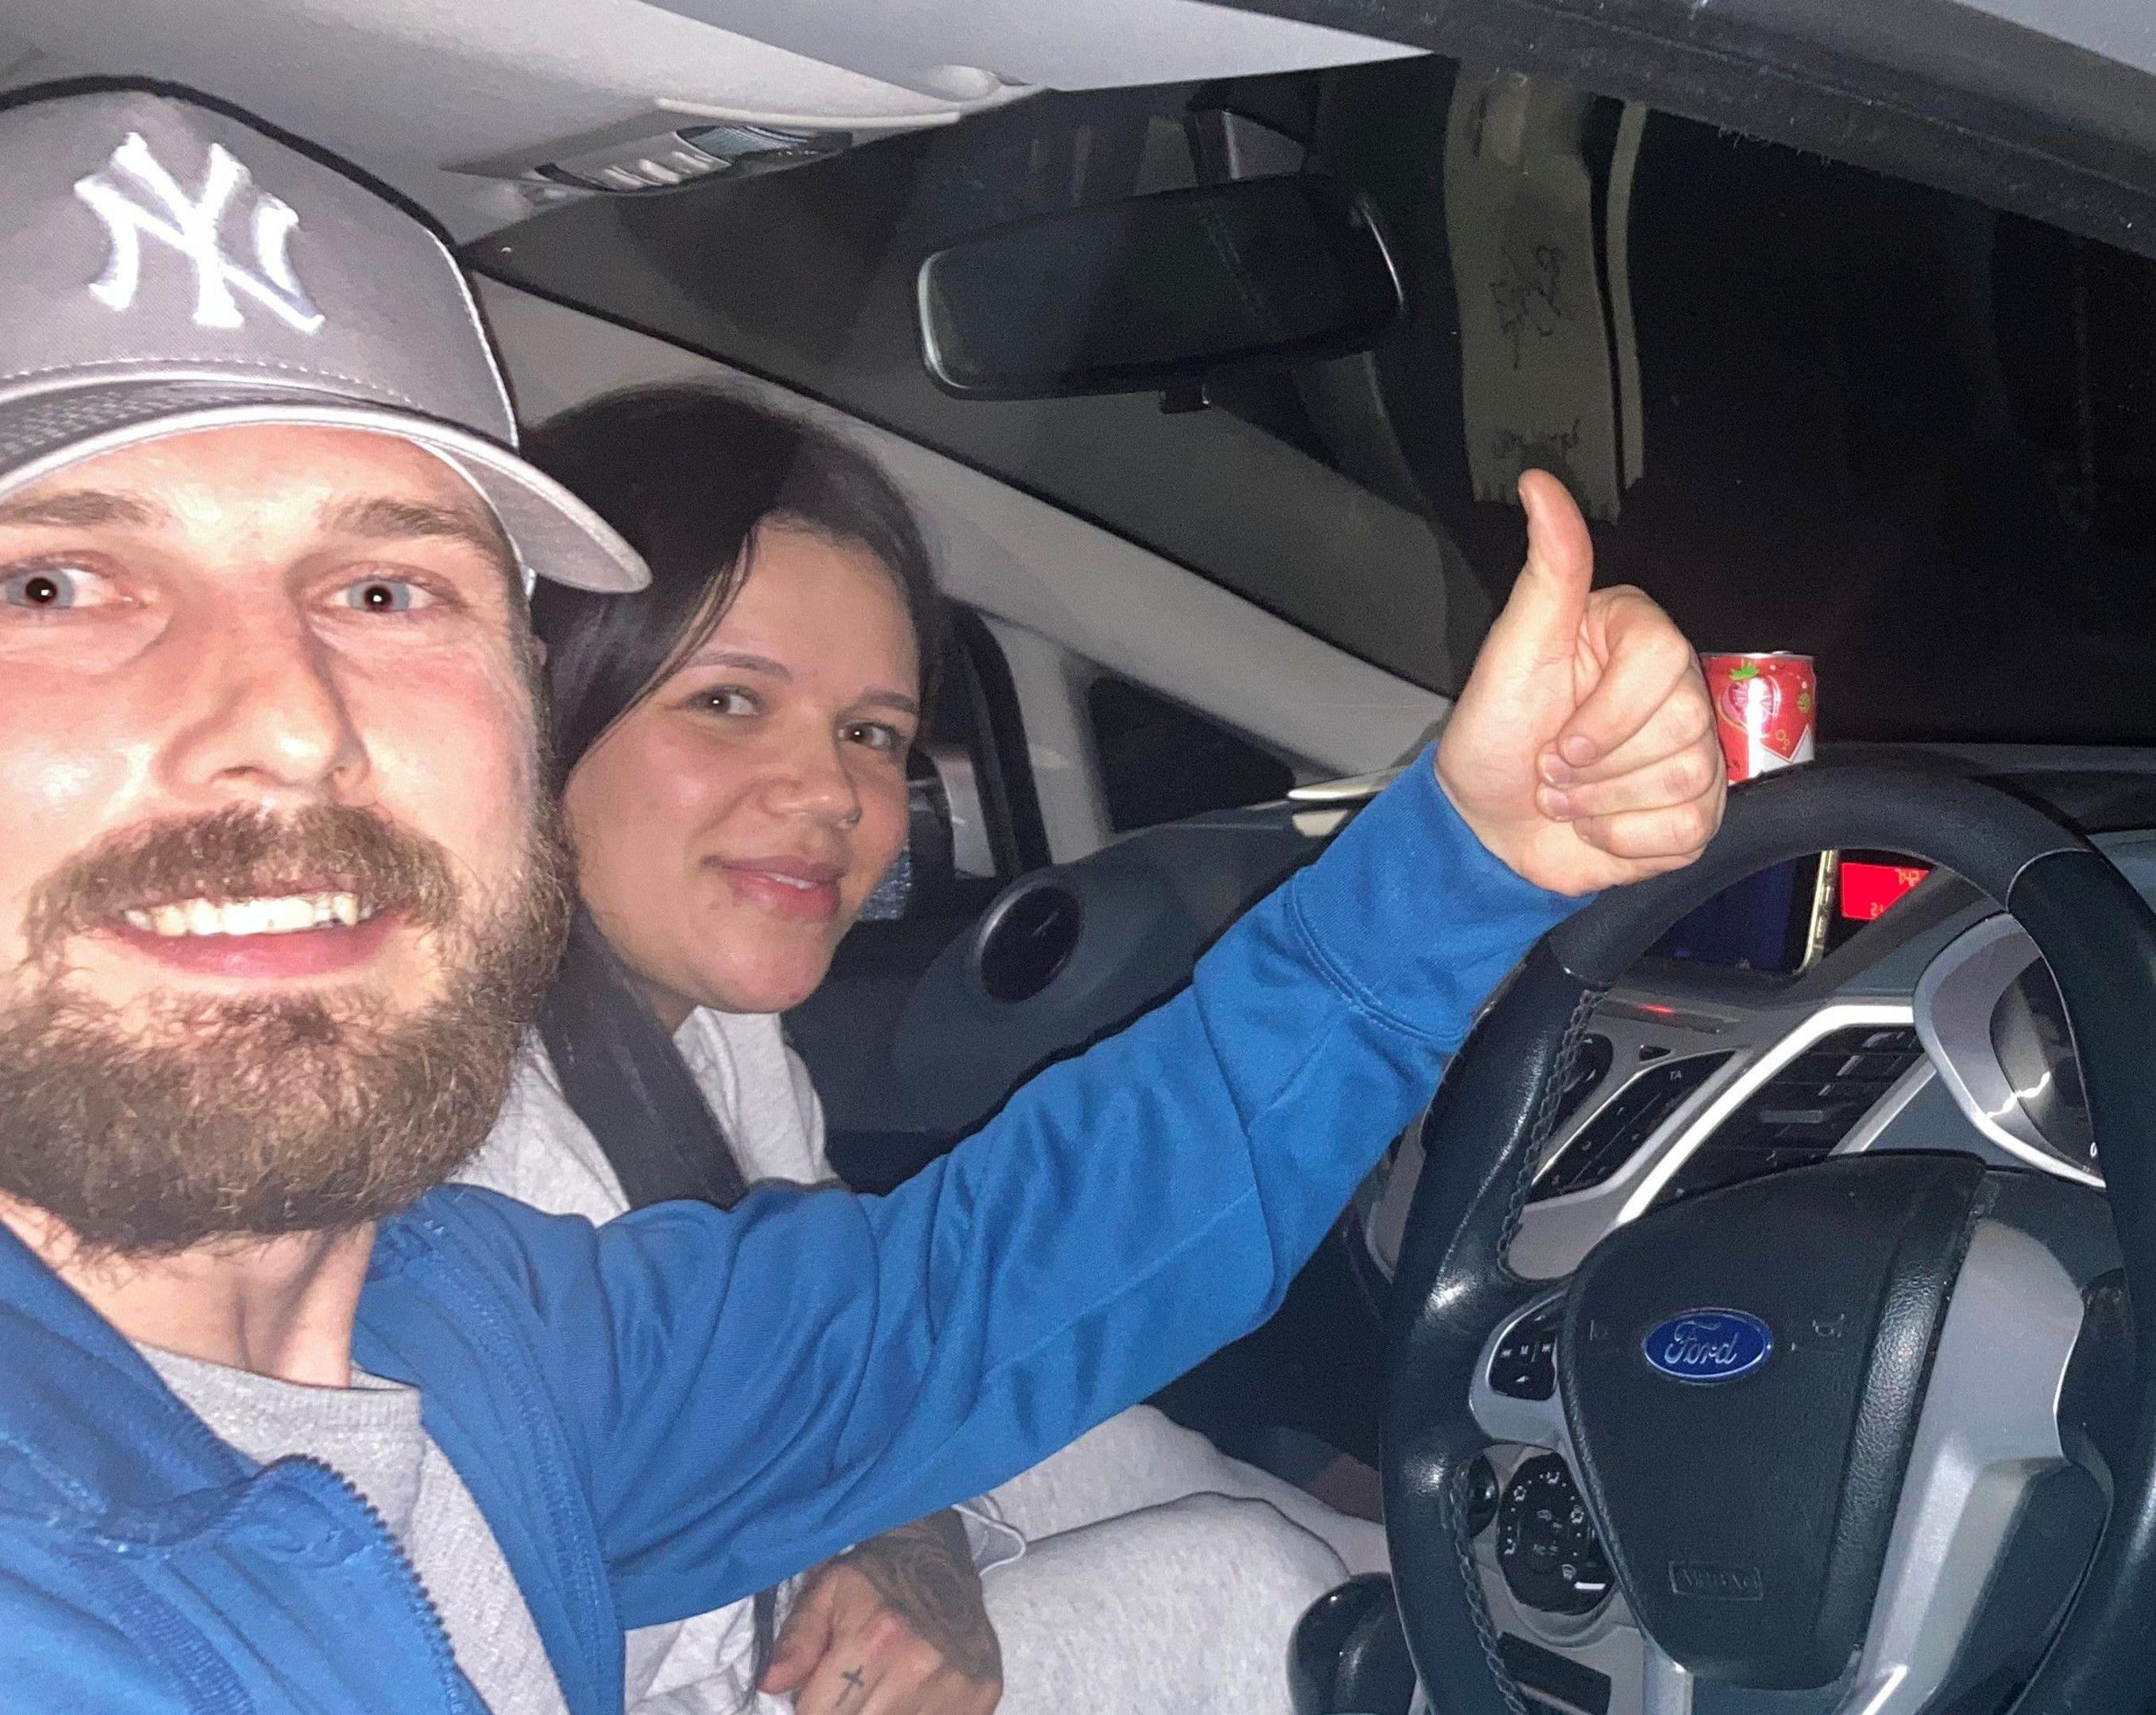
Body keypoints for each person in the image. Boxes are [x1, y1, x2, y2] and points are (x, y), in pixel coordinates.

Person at [0, 87, 1726, 1715]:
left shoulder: (463, 1320)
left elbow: (981, 1291)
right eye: (59, 583)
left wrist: (1472, 862)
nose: (287, 720)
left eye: (383, 588)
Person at [451, 384, 1387, 1715]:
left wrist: (905, 1536)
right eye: (727, 702)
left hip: (757, 1571)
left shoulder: (715, 1024)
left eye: (871, 734)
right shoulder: (474, 1136)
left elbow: (853, 1343)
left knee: (1089, 1445)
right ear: (533, 712)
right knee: (1236, 1595)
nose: (832, 791)